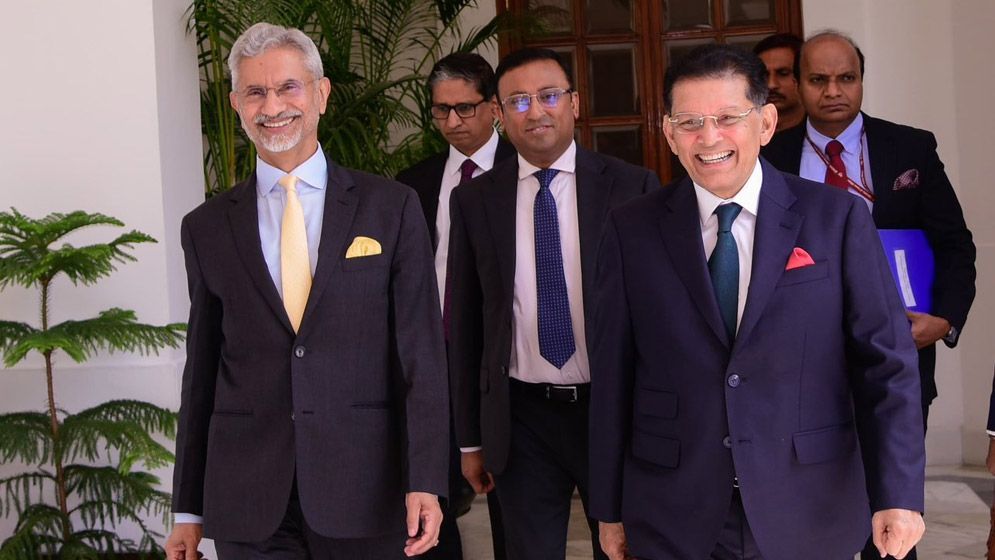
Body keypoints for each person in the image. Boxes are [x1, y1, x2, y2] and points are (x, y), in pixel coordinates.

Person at [588, 44, 926, 560]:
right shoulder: (631, 229)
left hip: (808, 503)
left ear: (765, 123)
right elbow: (614, 377)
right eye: (690, 122)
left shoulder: (835, 219)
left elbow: (886, 364)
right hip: (674, 509)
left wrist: (898, 495)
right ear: (669, 134)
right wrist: (609, 508)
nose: (709, 138)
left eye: (728, 118)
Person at [165, 22, 448, 560]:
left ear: (320, 94)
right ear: (236, 104)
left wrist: (426, 479)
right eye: (255, 92)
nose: (272, 106)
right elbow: (201, 372)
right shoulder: (206, 228)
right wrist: (188, 510)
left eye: (288, 88)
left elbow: (422, 358)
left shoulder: (390, 208)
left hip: (366, 488)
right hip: (248, 496)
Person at [446, 47, 661, 560]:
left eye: (548, 96)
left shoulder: (633, 187)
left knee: (626, 549)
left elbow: (658, 318)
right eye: (518, 101)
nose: (535, 112)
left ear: (575, 103)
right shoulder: (475, 200)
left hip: (611, 409)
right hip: (521, 417)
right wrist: (469, 440)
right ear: (498, 114)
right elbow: (467, 324)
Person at [762, 30, 977, 435]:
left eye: (846, 78)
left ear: (861, 79)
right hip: (801, 357)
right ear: (799, 84)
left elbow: (954, 244)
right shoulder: (769, 158)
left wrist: (946, 320)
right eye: (818, 80)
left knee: (897, 473)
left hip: (897, 347)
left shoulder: (910, 148)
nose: (833, 92)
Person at [395, 51, 514, 560]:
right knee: (432, 496)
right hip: (435, 360)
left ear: (494, 109)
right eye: (441, 110)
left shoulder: (523, 172)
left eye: (465, 108)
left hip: (506, 362)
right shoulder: (412, 184)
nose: (453, 121)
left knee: (515, 504)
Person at [752, 33, 805, 133]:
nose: (771, 85)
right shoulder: (743, 134)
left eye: (783, 73)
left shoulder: (823, 132)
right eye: (764, 75)